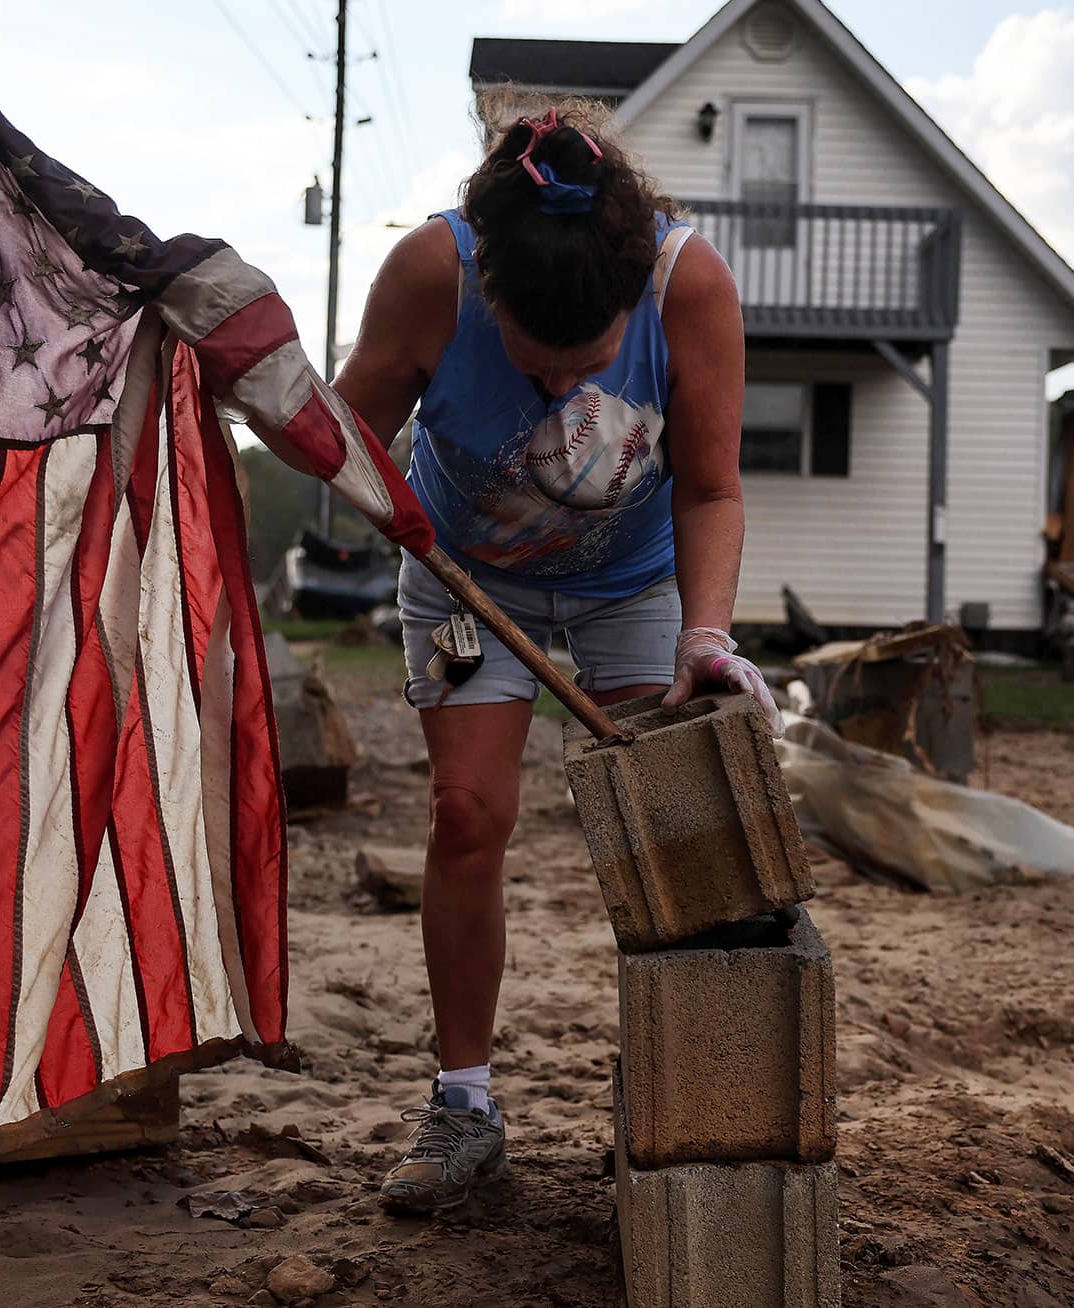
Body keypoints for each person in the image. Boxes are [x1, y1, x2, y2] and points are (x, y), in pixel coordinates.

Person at [326, 102, 780, 1212]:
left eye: (590, 367)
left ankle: (690, 1098)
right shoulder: (429, 271)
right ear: (486, 296)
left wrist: (705, 635)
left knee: (680, 824)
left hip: (632, 584)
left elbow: (712, 484)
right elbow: (340, 435)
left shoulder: (689, 286)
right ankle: (464, 1107)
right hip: (463, 576)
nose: (564, 392)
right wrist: (347, 479)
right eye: (538, 368)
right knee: (467, 815)